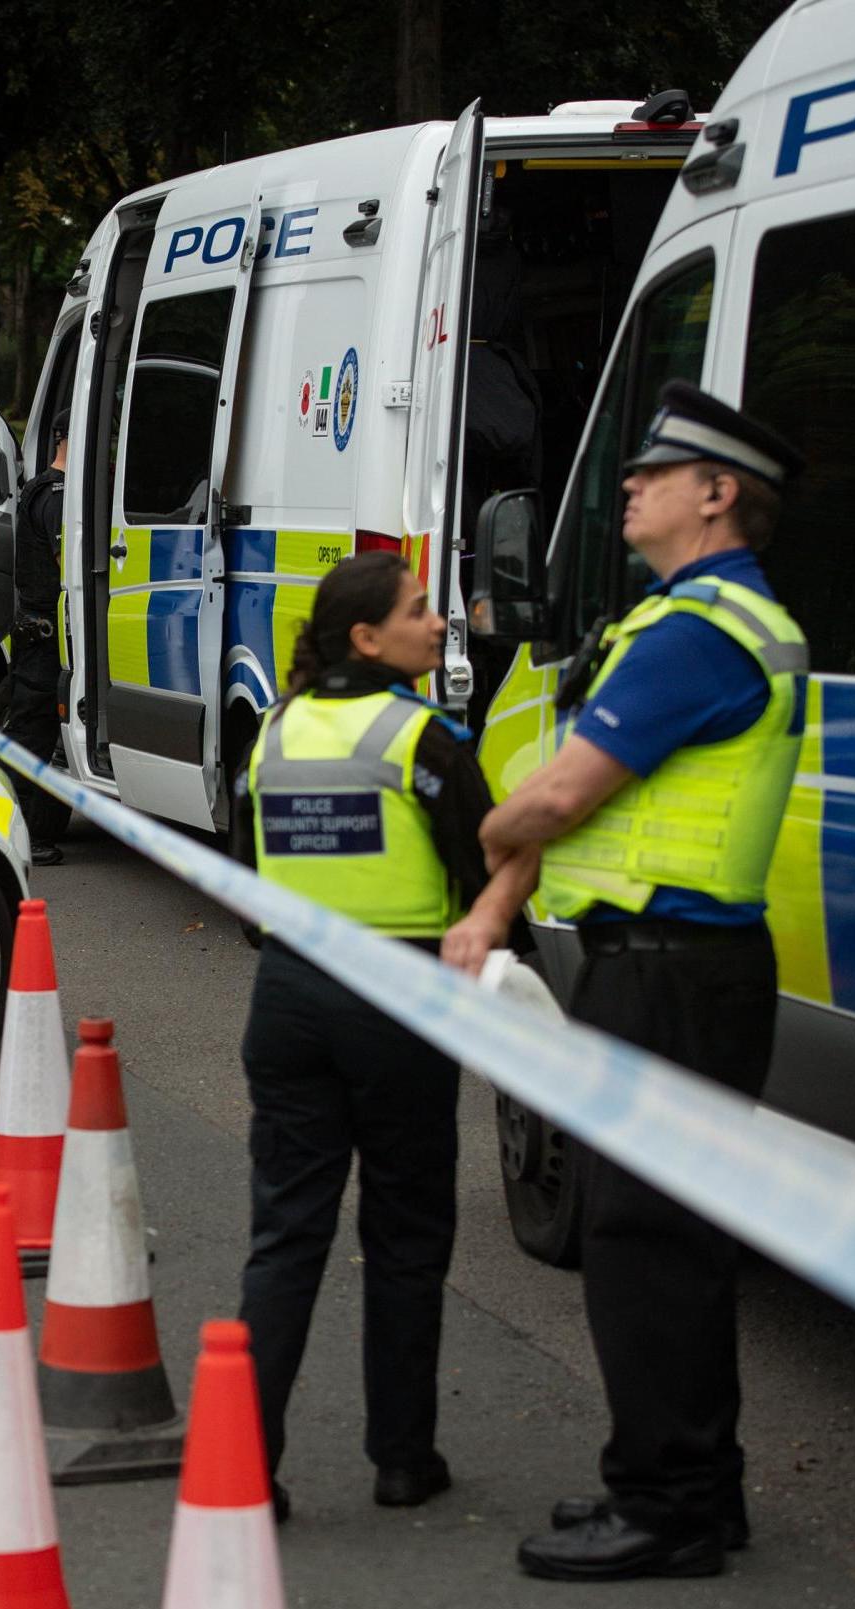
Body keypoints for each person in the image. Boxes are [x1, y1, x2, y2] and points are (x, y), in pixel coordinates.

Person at [480, 379, 807, 1581]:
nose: (626, 484)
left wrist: (489, 829)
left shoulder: (698, 631)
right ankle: (687, 1485)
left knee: (637, 1234)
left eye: (653, 471)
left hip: (668, 975)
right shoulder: (699, 618)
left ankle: (665, 1504)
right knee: (672, 1231)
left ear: (715, 495)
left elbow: (560, 794)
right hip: (681, 970)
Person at [230, 549, 538, 1525]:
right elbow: (486, 873)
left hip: (285, 997)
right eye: (417, 611)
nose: (439, 622)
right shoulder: (426, 740)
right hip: (396, 1003)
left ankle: (243, 1468)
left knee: (284, 1235)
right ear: (367, 638)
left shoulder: (271, 732)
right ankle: (402, 1458)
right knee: (404, 1233)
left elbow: (245, 889)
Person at [3, 409, 70, 864]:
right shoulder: (56, 496)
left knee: (34, 729)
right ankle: (20, 833)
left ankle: (27, 829)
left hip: (37, 629)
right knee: (32, 733)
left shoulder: (38, 489)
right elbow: (66, 560)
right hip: (45, 632)